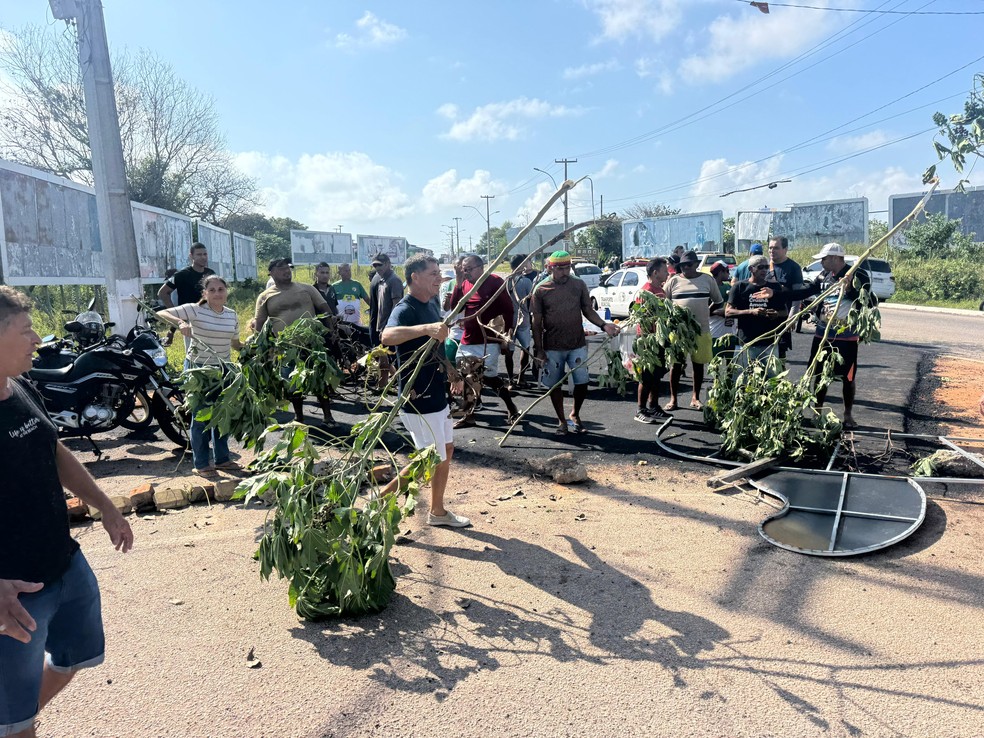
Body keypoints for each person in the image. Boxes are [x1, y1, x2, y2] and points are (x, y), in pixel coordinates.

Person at [0, 286, 134, 738]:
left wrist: (106, 506)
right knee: (16, 723)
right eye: (25, 330)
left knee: (73, 658)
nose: (37, 339)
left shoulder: (20, 386)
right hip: (14, 591)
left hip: (64, 562)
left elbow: (54, 451)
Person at [380, 255, 470, 528]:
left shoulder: (431, 304)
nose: (438, 278)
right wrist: (425, 329)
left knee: (446, 450)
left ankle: (437, 511)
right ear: (414, 277)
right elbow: (386, 336)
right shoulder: (405, 308)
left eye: (438, 273)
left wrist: (451, 371)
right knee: (429, 458)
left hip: (437, 391)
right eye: (433, 273)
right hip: (417, 395)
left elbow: (437, 345)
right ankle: (380, 501)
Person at [758, 243, 870, 429]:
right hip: (823, 334)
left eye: (823, 259)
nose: (821, 263)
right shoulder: (824, 276)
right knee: (818, 373)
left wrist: (850, 289)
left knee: (848, 377)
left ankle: (848, 414)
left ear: (835, 258)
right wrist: (775, 293)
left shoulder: (857, 275)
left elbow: (869, 301)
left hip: (847, 336)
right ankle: (817, 412)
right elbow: (804, 291)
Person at [158, 275, 243, 478]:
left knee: (222, 413)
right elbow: (161, 313)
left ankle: (222, 459)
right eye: (212, 290)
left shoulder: (231, 315)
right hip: (198, 369)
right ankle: (202, 464)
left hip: (222, 370)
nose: (217, 293)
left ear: (227, 291)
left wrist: (255, 347)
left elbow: (235, 344)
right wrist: (180, 323)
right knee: (201, 416)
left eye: (221, 289)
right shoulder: (194, 310)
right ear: (205, 293)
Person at [531, 250, 620, 435]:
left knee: (582, 382)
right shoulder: (541, 289)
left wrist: (604, 325)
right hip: (552, 346)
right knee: (555, 384)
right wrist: (539, 349)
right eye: (560, 269)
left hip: (577, 343)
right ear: (550, 268)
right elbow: (536, 322)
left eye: (567, 268)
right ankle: (561, 420)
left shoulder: (578, 285)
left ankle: (575, 414)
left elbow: (588, 310)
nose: (564, 272)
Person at [253, 258, 337, 427]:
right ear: (271, 273)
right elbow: (259, 324)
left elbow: (325, 309)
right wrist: (260, 347)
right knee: (292, 383)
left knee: (319, 381)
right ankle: (299, 418)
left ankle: (328, 416)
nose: (286, 271)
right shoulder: (265, 296)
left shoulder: (307, 289)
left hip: (312, 344)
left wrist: (331, 331)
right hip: (285, 348)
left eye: (288, 268)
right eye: (281, 268)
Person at [450, 254, 520, 428]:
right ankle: (469, 416)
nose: (466, 273)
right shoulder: (464, 283)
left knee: (488, 378)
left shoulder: (495, 282)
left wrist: (507, 336)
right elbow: (455, 308)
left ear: (481, 268)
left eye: (469, 269)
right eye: (463, 269)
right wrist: (458, 282)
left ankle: (511, 407)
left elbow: (508, 310)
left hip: (488, 340)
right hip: (468, 339)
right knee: (467, 377)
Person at [662, 250, 723, 411]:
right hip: (678, 332)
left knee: (698, 364)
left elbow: (718, 301)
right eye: (682, 265)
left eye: (689, 264)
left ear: (696, 264)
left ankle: (695, 398)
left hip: (701, 329)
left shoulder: (707, 280)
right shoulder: (674, 281)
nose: (685, 268)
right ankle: (673, 399)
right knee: (676, 365)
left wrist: (707, 311)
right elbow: (663, 302)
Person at [725, 255, 788, 365]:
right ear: (751, 269)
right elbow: (728, 312)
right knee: (744, 374)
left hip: (769, 343)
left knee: (771, 375)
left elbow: (785, 312)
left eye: (766, 267)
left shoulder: (774, 287)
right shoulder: (740, 287)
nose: (764, 270)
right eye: (760, 267)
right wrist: (751, 312)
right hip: (746, 342)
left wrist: (776, 314)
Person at [633, 257, 670, 423]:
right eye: (665, 271)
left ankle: (653, 406)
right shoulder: (646, 292)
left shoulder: (660, 290)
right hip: (648, 340)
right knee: (646, 376)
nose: (667, 273)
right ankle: (640, 410)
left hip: (659, 338)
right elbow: (643, 318)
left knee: (657, 375)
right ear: (655, 273)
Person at [765, 236, 803, 358]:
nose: (772, 251)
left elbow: (797, 296)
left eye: (776, 248)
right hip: (763, 317)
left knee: (780, 353)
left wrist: (792, 317)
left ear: (785, 249)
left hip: (782, 316)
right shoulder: (763, 266)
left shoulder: (793, 268)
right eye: (770, 248)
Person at [505, 253, 535, 390]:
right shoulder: (526, 282)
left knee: (509, 351)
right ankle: (521, 379)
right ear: (521, 265)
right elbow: (532, 302)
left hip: (508, 322)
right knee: (525, 348)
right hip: (523, 320)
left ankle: (510, 380)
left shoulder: (505, 282)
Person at [158, 242, 214, 308]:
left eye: (205, 254)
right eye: (199, 255)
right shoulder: (182, 275)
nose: (203, 257)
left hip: (208, 312)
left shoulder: (211, 273)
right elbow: (162, 292)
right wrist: (174, 311)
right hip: (188, 313)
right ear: (191, 256)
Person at [368, 253, 404, 348]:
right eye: (375, 265)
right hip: (381, 329)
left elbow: (396, 307)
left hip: (389, 330)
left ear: (388, 264)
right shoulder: (381, 279)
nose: (377, 268)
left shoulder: (394, 280)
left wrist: (388, 328)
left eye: (380, 265)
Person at [708, 261, 738, 359]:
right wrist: (721, 312)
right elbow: (704, 310)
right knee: (715, 362)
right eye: (727, 271)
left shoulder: (728, 287)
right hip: (715, 332)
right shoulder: (709, 288)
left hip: (730, 331)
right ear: (721, 272)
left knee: (731, 363)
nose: (729, 274)